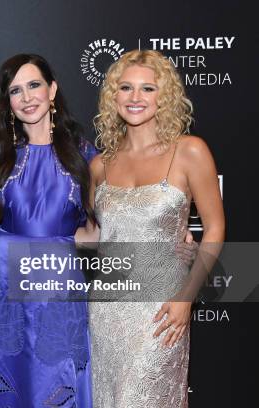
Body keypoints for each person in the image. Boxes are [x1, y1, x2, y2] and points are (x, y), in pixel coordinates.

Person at [87, 49, 225, 407]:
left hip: (161, 309)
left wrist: (185, 298)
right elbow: (96, 239)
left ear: (164, 96)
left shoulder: (190, 151)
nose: (135, 98)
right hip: (106, 310)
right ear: (112, 96)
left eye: (147, 89)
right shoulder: (100, 165)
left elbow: (215, 228)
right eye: (126, 88)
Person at [0, 54, 96, 407]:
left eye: (34, 85)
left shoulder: (85, 156)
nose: (26, 97)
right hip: (3, 291)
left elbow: (102, 226)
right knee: (5, 386)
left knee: (56, 384)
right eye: (15, 90)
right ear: (7, 103)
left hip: (58, 291)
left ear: (52, 90)